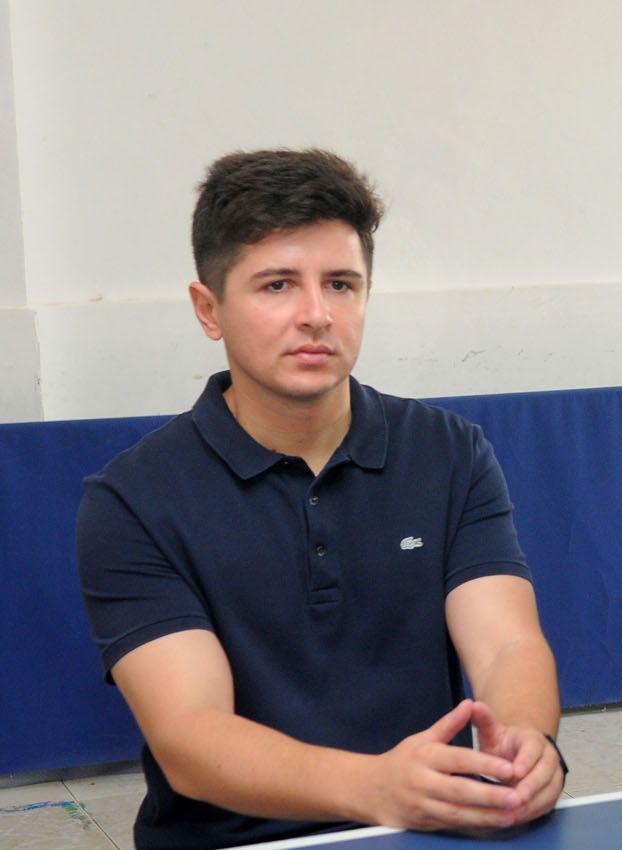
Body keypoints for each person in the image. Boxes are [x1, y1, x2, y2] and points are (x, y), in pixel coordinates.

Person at [76, 149, 565, 849]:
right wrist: (377, 787)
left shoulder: (452, 453)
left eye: (340, 284)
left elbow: (508, 646)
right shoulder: (132, 501)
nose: (316, 314)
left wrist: (526, 744)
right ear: (208, 310)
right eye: (277, 285)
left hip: (434, 828)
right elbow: (190, 735)